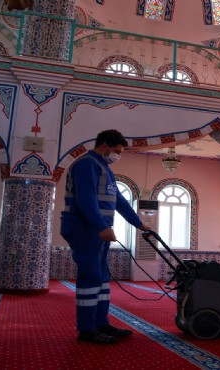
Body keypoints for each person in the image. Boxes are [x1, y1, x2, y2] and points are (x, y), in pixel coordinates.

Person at [61, 129, 152, 344]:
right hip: (84, 229)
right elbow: (86, 200)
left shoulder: (105, 168)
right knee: (91, 277)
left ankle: (100, 323)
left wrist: (139, 224)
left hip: (97, 230)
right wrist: (101, 227)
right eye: (116, 151)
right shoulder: (86, 164)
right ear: (104, 146)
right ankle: (86, 329)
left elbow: (119, 200)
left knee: (101, 279)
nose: (117, 155)